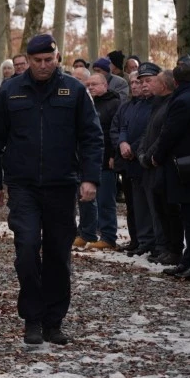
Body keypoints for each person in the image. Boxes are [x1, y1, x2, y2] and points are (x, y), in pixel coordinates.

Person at [0, 33, 104, 345]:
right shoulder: (11, 91)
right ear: (28, 59)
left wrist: (90, 178)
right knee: (25, 249)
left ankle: (54, 320)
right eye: (37, 61)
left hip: (61, 184)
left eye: (48, 60)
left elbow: (91, 136)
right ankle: (32, 318)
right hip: (23, 185)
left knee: (57, 253)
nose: (42, 66)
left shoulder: (74, 90)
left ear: (58, 58)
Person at [151, 64, 190, 280]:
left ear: (175, 82)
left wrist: (157, 156)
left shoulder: (183, 101)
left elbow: (170, 133)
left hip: (186, 165)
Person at [138, 70, 181, 266]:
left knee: (166, 209)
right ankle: (163, 246)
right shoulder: (157, 104)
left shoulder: (170, 105)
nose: (148, 85)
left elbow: (164, 135)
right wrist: (142, 152)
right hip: (150, 162)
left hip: (160, 164)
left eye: (152, 81)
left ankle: (168, 247)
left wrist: (150, 156)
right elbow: (148, 133)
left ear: (163, 86)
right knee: (157, 208)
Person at [76, 68, 122, 250]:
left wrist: (113, 155)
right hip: (85, 159)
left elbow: (114, 131)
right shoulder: (85, 102)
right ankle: (86, 232)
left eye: (94, 84)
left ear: (105, 85)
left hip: (106, 159)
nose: (90, 87)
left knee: (105, 201)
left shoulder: (114, 104)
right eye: (88, 85)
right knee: (84, 199)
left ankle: (109, 236)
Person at [113, 69, 155, 253]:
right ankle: (139, 239)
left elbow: (148, 132)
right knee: (134, 204)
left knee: (150, 204)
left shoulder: (154, 104)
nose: (139, 86)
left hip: (144, 159)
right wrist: (122, 143)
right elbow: (122, 126)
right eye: (135, 83)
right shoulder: (128, 106)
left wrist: (134, 147)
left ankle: (152, 242)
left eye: (143, 82)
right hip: (128, 160)